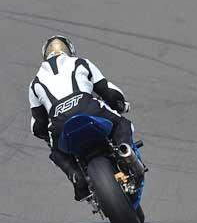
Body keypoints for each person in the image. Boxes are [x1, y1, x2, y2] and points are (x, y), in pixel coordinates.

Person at [29, 36, 134, 201]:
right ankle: (125, 152)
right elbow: (107, 91)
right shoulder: (80, 62)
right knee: (121, 123)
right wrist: (120, 105)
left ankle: (76, 176)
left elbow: (37, 125)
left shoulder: (35, 83)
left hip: (59, 123)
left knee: (56, 151)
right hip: (88, 107)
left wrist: (47, 136)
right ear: (70, 50)